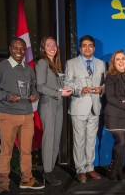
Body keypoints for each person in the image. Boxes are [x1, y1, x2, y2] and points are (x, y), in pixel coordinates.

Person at [0, 38, 44, 194]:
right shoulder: (0, 68)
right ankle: (3, 185)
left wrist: (34, 95)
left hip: (27, 115)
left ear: (25, 51)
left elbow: (34, 89)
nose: (19, 51)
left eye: (22, 49)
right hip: (8, 115)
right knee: (6, 151)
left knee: (26, 151)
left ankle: (26, 179)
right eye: (16, 48)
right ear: (10, 49)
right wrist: (5, 96)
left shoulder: (29, 69)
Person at [65, 35, 106, 184]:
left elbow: (106, 84)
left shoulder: (101, 64)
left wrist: (100, 90)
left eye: (90, 45)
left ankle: (90, 167)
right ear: (80, 48)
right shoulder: (71, 63)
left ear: (94, 48)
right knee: (79, 140)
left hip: (95, 107)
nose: (87, 48)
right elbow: (67, 83)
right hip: (79, 107)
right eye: (84, 45)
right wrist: (80, 90)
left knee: (91, 140)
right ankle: (80, 169)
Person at [35, 37, 72, 185]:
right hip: (47, 104)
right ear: (43, 48)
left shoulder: (55, 65)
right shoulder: (42, 62)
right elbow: (40, 86)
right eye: (48, 45)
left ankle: (49, 169)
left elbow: (55, 86)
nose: (52, 47)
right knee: (49, 139)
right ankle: (47, 172)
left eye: (54, 45)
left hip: (57, 104)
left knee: (56, 139)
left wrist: (63, 89)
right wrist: (59, 93)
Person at [104, 50, 125, 181]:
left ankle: (119, 171)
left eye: (123, 58)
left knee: (124, 144)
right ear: (113, 62)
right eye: (118, 59)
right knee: (121, 141)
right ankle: (112, 169)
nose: (121, 61)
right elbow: (110, 97)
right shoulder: (110, 76)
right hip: (114, 115)